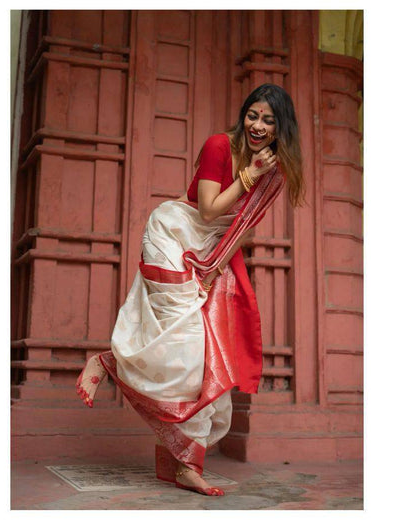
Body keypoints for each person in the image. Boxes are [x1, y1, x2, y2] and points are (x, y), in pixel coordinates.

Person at [76, 83, 305, 496]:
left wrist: (215, 269)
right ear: (243, 116)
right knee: (186, 337)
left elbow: (243, 229)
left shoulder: (275, 172)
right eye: (253, 115)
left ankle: (179, 464)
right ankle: (108, 363)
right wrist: (249, 173)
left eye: (269, 120)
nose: (258, 125)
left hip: (209, 251)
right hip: (170, 236)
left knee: (201, 353)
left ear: (280, 129)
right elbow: (209, 209)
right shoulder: (221, 145)